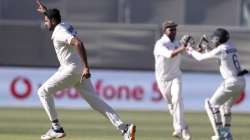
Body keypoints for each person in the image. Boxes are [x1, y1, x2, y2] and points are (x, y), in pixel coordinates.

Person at [35, 1, 136, 140]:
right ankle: (124, 128)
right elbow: (61, 27)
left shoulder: (60, 32)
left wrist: (87, 66)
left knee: (42, 92)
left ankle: (56, 128)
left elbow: (78, 42)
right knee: (96, 102)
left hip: (70, 70)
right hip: (78, 70)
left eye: (46, 21)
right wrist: (47, 11)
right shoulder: (64, 24)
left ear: (53, 20)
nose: (45, 23)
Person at [186, 28, 247, 140]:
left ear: (218, 39)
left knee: (210, 105)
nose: (213, 40)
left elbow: (200, 58)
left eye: (214, 38)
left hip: (231, 82)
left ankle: (219, 134)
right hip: (242, 81)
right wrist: (206, 48)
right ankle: (226, 133)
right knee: (226, 107)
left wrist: (190, 49)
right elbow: (219, 57)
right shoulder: (231, 46)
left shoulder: (220, 49)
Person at [153, 20, 192, 140]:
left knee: (177, 100)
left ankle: (178, 129)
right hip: (163, 80)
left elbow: (187, 52)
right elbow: (171, 54)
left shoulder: (177, 42)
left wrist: (195, 50)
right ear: (165, 31)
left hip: (176, 76)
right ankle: (185, 127)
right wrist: (183, 47)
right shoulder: (160, 44)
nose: (174, 31)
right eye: (171, 29)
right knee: (172, 106)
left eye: (175, 29)